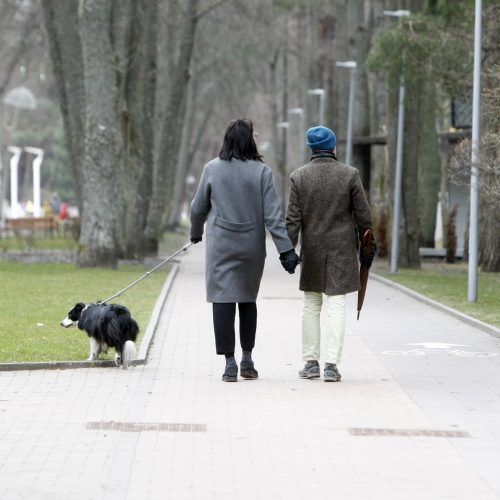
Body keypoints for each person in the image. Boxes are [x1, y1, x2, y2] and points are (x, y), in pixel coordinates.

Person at [190, 118, 301, 382]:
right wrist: (286, 250)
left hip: (221, 248)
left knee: (223, 299)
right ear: (247, 139)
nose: (257, 137)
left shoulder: (212, 169)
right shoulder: (262, 171)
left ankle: (229, 364)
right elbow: (273, 216)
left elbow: (197, 208)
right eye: (254, 134)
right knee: (247, 300)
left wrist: (196, 233)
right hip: (251, 247)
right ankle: (247, 359)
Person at [285, 126, 376, 382]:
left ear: (310, 148)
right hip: (341, 251)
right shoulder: (350, 175)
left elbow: (292, 220)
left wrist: (287, 251)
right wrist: (368, 246)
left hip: (312, 250)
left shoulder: (299, 177)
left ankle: (311, 363)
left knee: (311, 306)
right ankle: (331, 366)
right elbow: (363, 216)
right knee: (336, 306)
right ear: (334, 147)